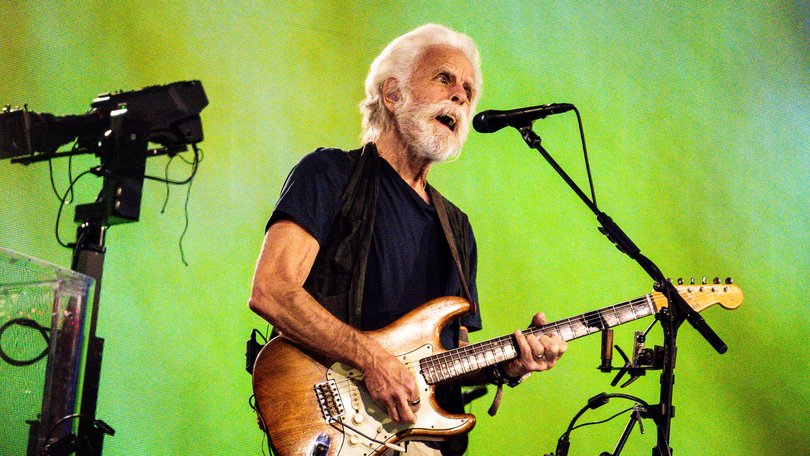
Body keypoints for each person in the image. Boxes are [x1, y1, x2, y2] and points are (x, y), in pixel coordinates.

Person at [248, 24, 568, 455]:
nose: (460, 96)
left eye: (469, 91)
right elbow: (272, 290)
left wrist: (507, 366)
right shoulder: (329, 174)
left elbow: (451, 358)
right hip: (342, 432)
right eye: (444, 79)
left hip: (424, 441)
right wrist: (372, 359)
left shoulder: (457, 228)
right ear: (393, 94)